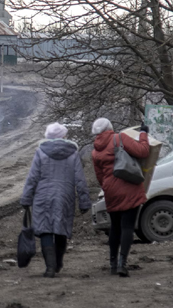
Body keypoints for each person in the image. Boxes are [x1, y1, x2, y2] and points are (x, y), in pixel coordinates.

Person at [20, 122, 91, 278]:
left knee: (45, 231)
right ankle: (58, 263)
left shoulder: (40, 152)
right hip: (65, 197)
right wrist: (84, 201)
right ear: (63, 136)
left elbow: (33, 177)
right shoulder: (73, 153)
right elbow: (80, 179)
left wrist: (26, 198)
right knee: (61, 230)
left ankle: (50, 268)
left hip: (43, 197)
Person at [91, 118, 150, 277]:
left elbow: (100, 176)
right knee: (127, 227)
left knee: (115, 228)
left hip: (111, 191)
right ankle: (122, 264)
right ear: (110, 127)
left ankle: (112, 264)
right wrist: (143, 133)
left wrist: (108, 187)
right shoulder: (119, 138)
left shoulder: (95, 151)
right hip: (129, 185)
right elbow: (143, 151)